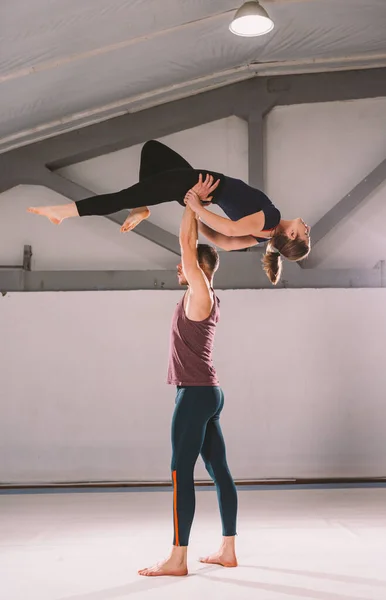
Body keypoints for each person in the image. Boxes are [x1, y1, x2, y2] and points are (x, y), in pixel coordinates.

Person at [27, 140, 311, 284]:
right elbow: (224, 241)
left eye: (306, 234)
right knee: (152, 151)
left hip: (196, 186)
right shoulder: (263, 237)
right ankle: (141, 208)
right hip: (199, 189)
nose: (308, 228)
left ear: (292, 234)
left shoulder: (273, 219)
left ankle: (64, 212)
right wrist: (197, 211)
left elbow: (229, 232)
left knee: (122, 196)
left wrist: (197, 206)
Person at [138, 204, 238, 577]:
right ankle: (227, 550)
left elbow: (186, 243)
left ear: (199, 268)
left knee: (181, 470)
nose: (179, 266)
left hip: (195, 394)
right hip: (206, 392)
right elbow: (187, 246)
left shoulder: (201, 292)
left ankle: (177, 558)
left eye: (186, 262)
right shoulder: (203, 295)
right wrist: (195, 210)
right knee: (219, 469)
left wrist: (191, 204)